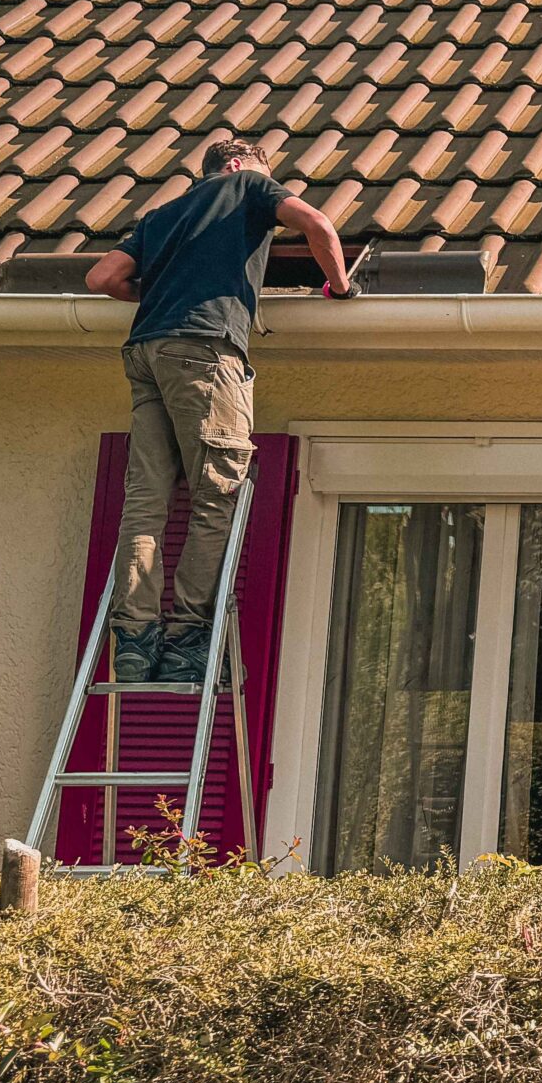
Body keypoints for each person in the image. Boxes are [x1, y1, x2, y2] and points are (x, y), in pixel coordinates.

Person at [85, 137, 353, 683]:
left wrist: (164, 291)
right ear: (236, 166)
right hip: (204, 351)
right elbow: (319, 227)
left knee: (146, 504)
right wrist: (340, 288)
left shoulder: (160, 215)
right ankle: (187, 637)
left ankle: (134, 641)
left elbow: (102, 279)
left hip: (146, 353)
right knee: (216, 496)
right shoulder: (248, 185)